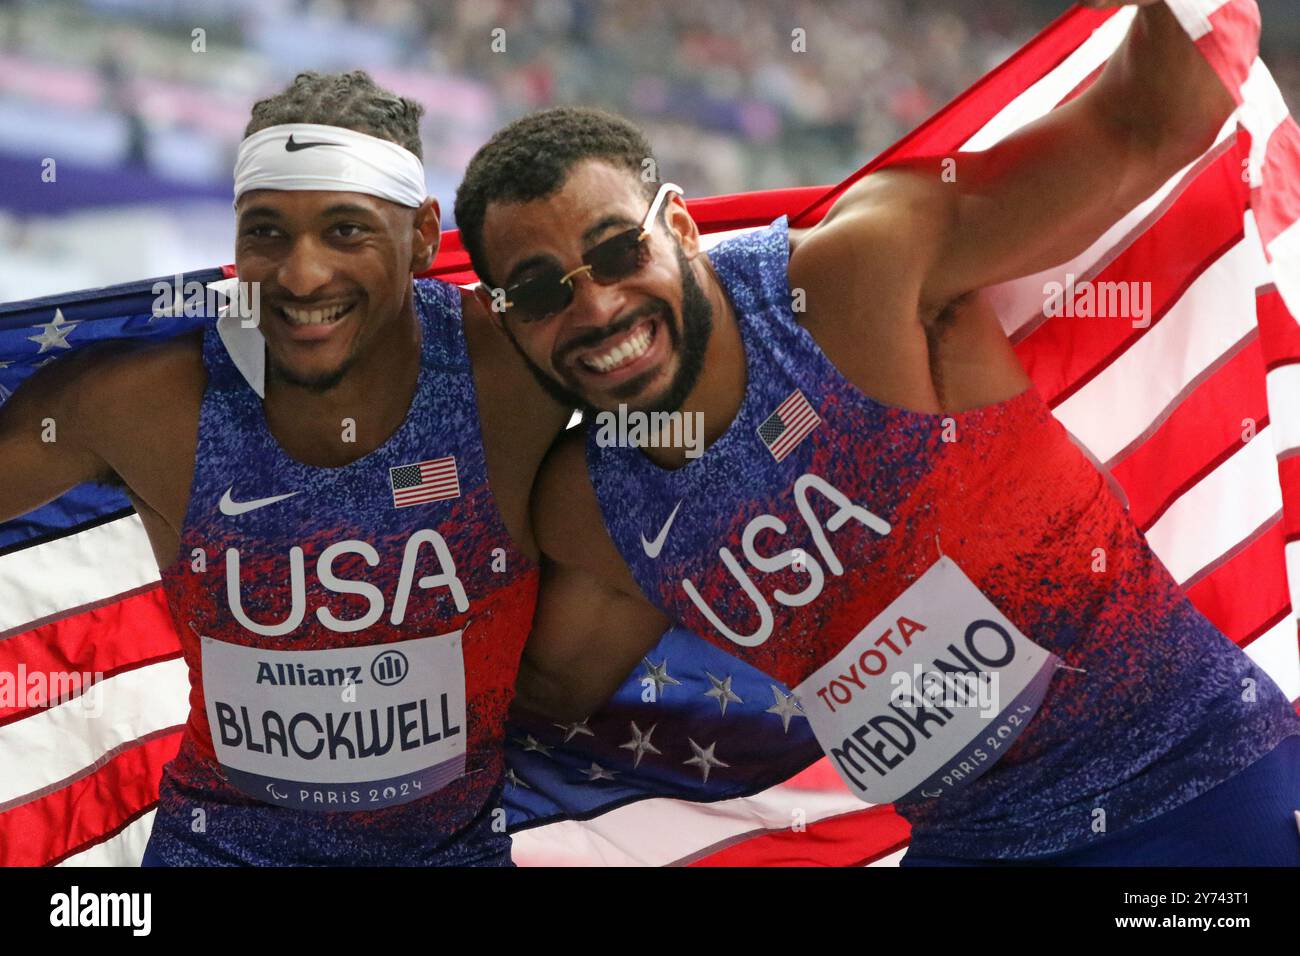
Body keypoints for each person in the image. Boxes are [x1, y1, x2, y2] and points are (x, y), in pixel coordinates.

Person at [454, 0, 1300, 865]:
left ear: (679, 226)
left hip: (1195, 786)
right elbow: (531, 704)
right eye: (543, 292)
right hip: (977, 844)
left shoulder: (857, 277)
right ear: (502, 320)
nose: (596, 305)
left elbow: (1149, 126)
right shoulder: (589, 508)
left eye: (617, 252)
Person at [0, 70, 568, 865]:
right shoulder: (144, 404)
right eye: (266, 232)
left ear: (423, 237)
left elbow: (715, 356)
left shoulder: (517, 375)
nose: (301, 277)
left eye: (346, 231)